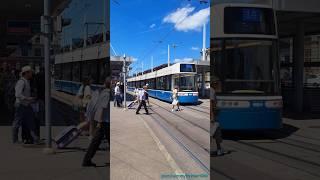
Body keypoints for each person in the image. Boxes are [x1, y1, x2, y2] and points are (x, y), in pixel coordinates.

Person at [82, 77, 110, 167]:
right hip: (104, 122)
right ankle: (86, 160)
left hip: (103, 121)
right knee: (95, 142)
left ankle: (86, 160)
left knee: (96, 142)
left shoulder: (103, 92)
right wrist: (99, 122)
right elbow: (102, 108)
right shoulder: (107, 94)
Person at [12, 66, 40, 144]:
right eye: (30, 72)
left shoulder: (26, 81)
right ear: (26, 73)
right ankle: (15, 140)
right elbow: (17, 94)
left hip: (26, 105)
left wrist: (30, 100)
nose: (32, 74)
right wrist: (28, 99)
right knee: (17, 122)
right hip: (20, 105)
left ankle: (35, 138)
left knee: (31, 121)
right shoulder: (21, 82)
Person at [210, 79, 224, 156]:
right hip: (212, 116)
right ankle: (219, 149)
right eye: (218, 84)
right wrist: (212, 116)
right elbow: (211, 104)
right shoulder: (212, 91)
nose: (219, 85)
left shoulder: (212, 91)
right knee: (213, 133)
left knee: (216, 132)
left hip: (214, 116)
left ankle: (219, 149)